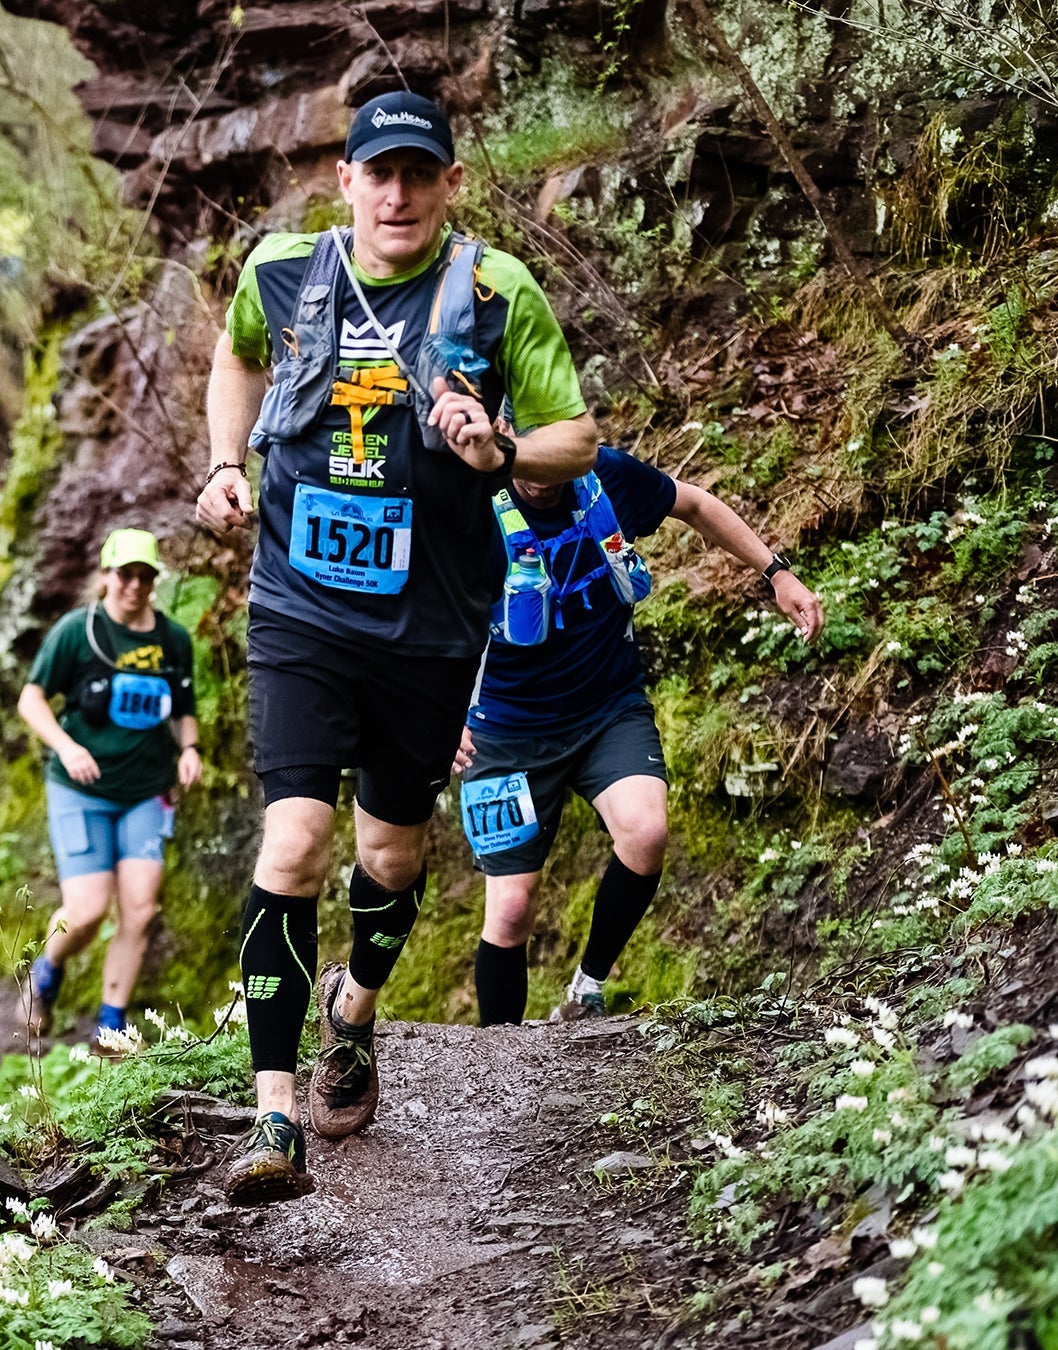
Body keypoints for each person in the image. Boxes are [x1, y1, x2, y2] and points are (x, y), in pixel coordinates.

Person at [196, 90, 602, 1205]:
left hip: (429, 628)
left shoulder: (495, 290)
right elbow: (236, 357)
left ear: (451, 184)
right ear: (346, 182)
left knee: (391, 856)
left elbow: (577, 438)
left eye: (421, 174)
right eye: (379, 173)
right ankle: (275, 1117)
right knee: (293, 844)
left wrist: (503, 446)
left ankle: (356, 1009)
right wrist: (226, 463)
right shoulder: (281, 271)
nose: (398, 194)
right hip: (299, 610)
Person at [453, 450, 824, 1023]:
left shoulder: (606, 476)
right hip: (504, 732)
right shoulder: (465, 501)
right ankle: (499, 1059)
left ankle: (586, 990)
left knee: (646, 832)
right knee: (510, 910)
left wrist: (776, 572)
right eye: (529, 455)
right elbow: (417, 602)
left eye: (554, 455)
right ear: (504, 441)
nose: (543, 477)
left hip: (607, 709)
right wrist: (436, 711)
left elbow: (694, 503)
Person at [16, 529, 202, 1045]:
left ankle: (110, 1028)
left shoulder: (173, 640)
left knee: (139, 910)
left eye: (145, 576)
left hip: (147, 792)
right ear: (106, 575)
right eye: (126, 574)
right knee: (87, 912)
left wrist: (190, 748)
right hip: (81, 791)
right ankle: (47, 970)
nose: (135, 586)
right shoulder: (78, 632)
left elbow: (184, 708)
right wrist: (66, 746)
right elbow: (31, 699)